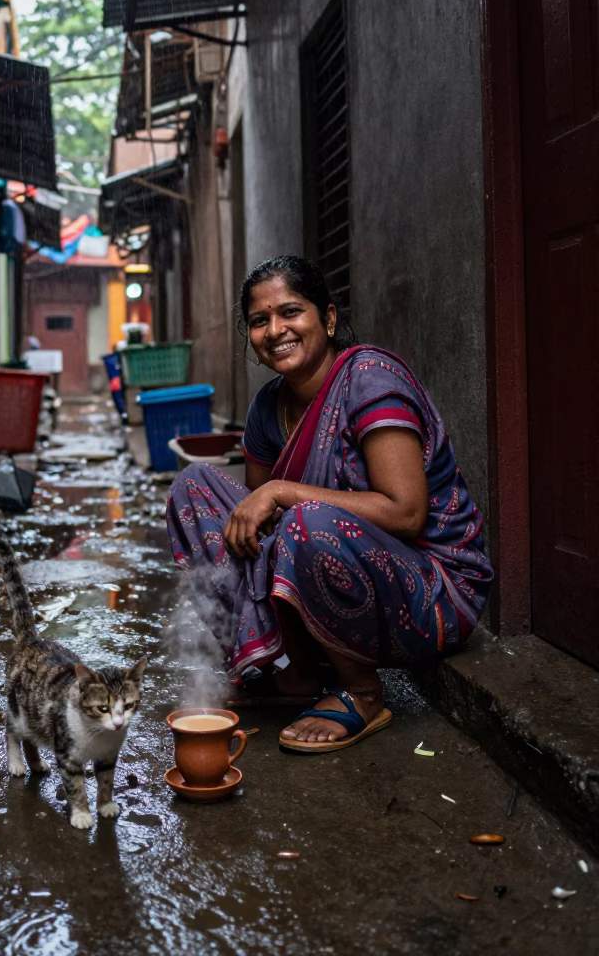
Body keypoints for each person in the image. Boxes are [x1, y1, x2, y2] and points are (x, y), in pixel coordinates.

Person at [166, 256, 492, 753]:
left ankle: (362, 693)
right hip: (335, 567)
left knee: (306, 522)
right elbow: (257, 535)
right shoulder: (266, 407)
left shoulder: (369, 378)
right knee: (193, 489)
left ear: (329, 319)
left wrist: (281, 491)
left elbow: (406, 512)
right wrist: (271, 501)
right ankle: (291, 670)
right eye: (259, 321)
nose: (276, 331)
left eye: (291, 312)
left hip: (433, 586)